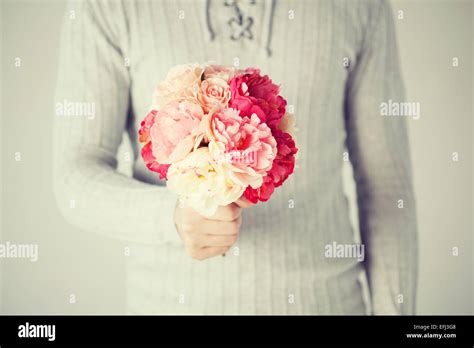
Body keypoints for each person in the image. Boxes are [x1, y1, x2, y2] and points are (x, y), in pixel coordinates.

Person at [53, 0, 418, 314]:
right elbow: (76, 171)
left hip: (328, 305)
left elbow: (387, 186)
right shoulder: (107, 6)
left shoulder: (360, 7)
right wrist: (171, 217)